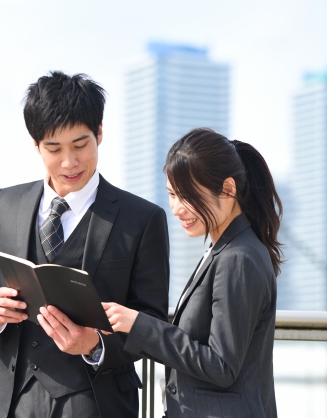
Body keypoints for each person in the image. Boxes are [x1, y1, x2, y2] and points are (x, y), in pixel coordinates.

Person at [0, 71, 170, 418]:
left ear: (100, 134)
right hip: (11, 398)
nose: (69, 162)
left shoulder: (143, 218)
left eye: (80, 145)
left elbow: (151, 318)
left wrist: (95, 345)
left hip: (95, 399)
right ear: (35, 145)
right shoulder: (6, 203)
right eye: (54, 148)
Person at [104, 127, 281, 417]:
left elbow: (222, 365)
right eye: (172, 194)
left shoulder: (238, 257)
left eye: (188, 196)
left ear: (228, 189)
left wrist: (139, 325)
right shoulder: (225, 249)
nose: (176, 208)